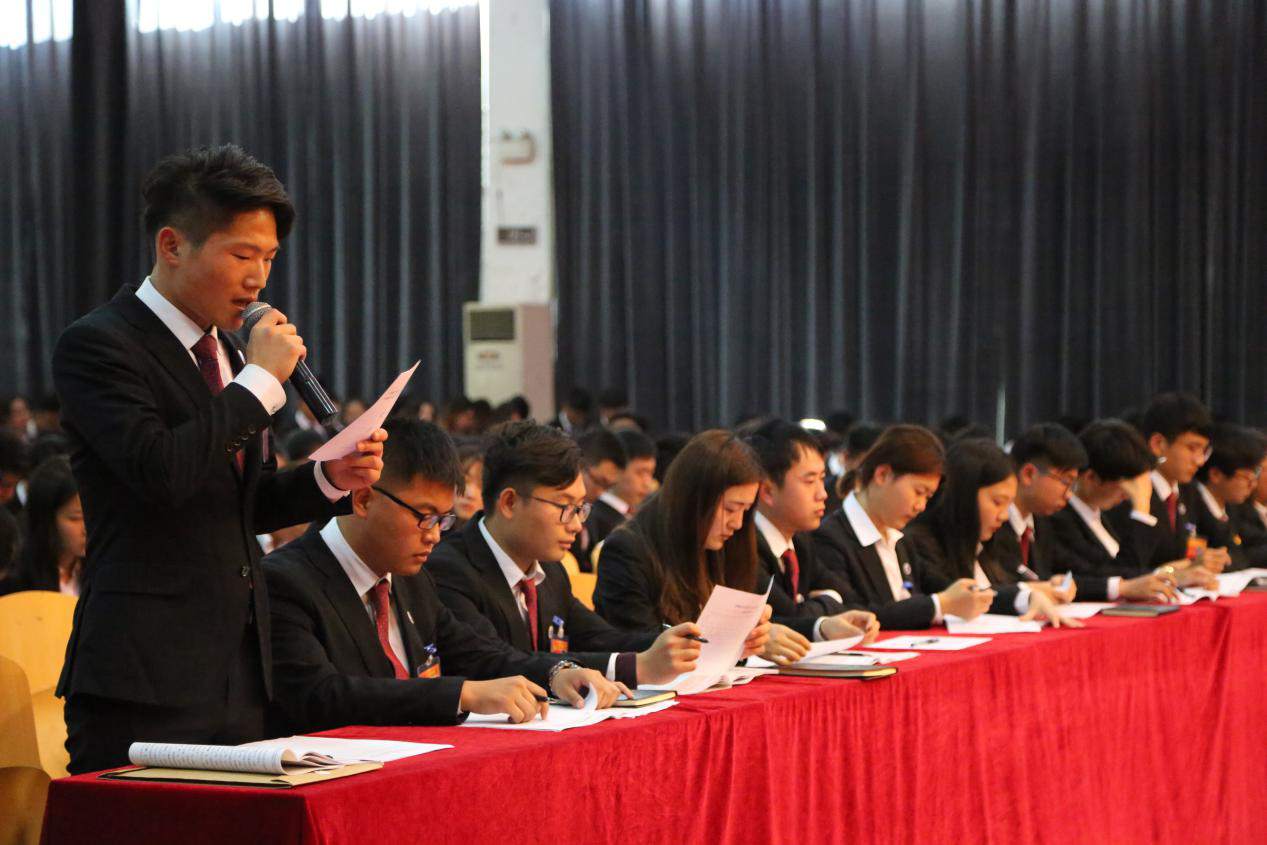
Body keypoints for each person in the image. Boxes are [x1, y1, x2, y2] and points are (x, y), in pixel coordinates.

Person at [52, 145, 387, 774]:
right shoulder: (99, 343)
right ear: (172, 245)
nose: (258, 278)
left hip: (240, 673)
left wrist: (326, 478)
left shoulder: (229, 354)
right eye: (241, 255)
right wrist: (259, 381)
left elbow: (241, 504)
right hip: (144, 677)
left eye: (269, 258)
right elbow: (160, 473)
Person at [263, 420, 624, 733]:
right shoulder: (285, 581)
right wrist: (461, 694)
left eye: (443, 520)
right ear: (364, 500)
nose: (435, 535)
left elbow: (479, 654)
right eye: (425, 517)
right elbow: (321, 695)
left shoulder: (411, 579)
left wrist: (557, 672)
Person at [428, 422, 702, 688]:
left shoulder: (550, 569)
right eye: (565, 508)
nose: (576, 525)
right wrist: (634, 666)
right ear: (510, 503)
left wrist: (676, 643)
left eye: (581, 508)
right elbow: (498, 660)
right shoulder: (449, 570)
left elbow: (601, 638)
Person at [592, 430, 776, 658]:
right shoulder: (628, 550)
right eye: (730, 509)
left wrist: (749, 635)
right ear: (694, 498)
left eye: (745, 511)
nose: (737, 523)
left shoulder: (725, 544)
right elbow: (636, 645)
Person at [812, 425, 995, 630]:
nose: (921, 506)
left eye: (928, 497)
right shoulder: (829, 538)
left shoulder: (899, 538)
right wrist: (939, 604)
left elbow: (941, 585)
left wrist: (970, 594)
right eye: (918, 492)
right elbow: (851, 613)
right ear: (882, 475)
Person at [904, 438, 1080, 627]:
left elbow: (1005, 583)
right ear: (964, 496)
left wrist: (1046, 587)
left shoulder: (991, 541)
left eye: (1008, 504)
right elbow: (960, 595)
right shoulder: (920, 541)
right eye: (997, 502)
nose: (1004, 516)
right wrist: (1025, 595)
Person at [743, 419, 880, 652]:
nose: (822, 493)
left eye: (822, 478)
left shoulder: (800, 540)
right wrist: (826, 608)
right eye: (809, 481)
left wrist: (821, 603)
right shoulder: (744, 546)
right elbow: (788, 615)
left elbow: (852, 600)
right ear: (767, 491)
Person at [1046, 420, 1188, 596]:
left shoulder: (1104, 512)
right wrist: (1142, 506)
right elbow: (1116, 575)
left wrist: (1170, 572)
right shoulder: (1059, 519)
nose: (1129, 495)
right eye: (1128, 486)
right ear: (1091, 478)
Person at [1106, 392, 1231, 573]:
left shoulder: (1188, 490)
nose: (1200, 461)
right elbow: (1126, 570)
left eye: (1204, 451)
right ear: (1158, 444)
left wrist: (1214, 559)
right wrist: (1173, 571)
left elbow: (1226, 545)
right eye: (1192, 448)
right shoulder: (1128, 492)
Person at [0, 457, 85, 596]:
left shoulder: (99, 570)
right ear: (47, 519)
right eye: (75, 518)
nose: (86, 529)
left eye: (91, 517)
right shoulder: (16, 579)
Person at [1189, 423, 1267, 570]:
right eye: (1246, 478)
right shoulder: (1192, 506)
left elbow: (1253, 542)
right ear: (1216, 475)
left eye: (1254, 476)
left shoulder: (1232, 506)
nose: (1252, 485)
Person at [585, 428, 657, 554]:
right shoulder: (596, 518)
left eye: (651, 473)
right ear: (618, 468)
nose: (647, 483)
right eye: (641, 472)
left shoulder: (639, 516)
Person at [568, 428, 626, 567]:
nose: (601, 493)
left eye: (608, 487)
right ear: (579, 464)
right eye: (599, 481)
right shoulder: (555, 514)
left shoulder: (592, 517)